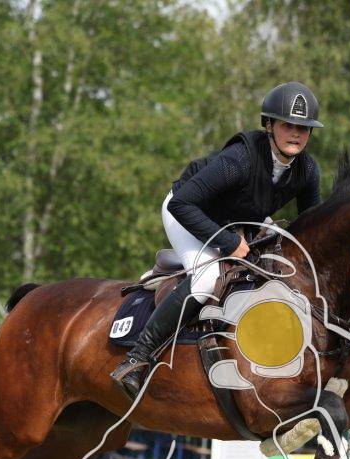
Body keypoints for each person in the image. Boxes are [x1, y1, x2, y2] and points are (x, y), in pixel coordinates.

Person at [110, 82, 325, 400]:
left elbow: (312, 228)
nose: (295, 133)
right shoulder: (240, 159)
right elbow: (182, 203)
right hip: (189, 211)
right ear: (269, 125)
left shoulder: (307, 170)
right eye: (287, 125)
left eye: (303, 128)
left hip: (239, 218)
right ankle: (136, 358)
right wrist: (227, 243)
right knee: (208, 279)